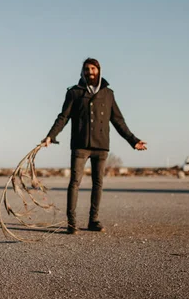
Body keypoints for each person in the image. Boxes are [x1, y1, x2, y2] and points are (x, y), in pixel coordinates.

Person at [42, 58, 147, 234]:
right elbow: (63, 117)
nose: (89, 72)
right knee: (74, 182)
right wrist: (50, 136)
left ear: (98, 70)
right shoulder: (74, 93)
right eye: (86, 69)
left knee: (98, 183)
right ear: (82, 72)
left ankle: (93, 220)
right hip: (80, 145)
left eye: (92, 69)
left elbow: (118, 120)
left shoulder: (108, 94)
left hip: (101, 146)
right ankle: (72, 223)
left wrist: (133, 140)